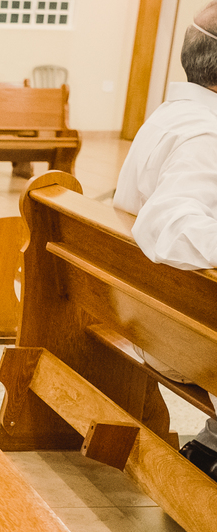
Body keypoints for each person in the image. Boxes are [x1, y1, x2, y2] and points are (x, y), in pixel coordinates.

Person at [114, 4, 217, 479]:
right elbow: (171, 226)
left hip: (157, 316)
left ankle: (210, 446)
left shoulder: (175, 116)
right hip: (184, 338)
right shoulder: (205, 135)